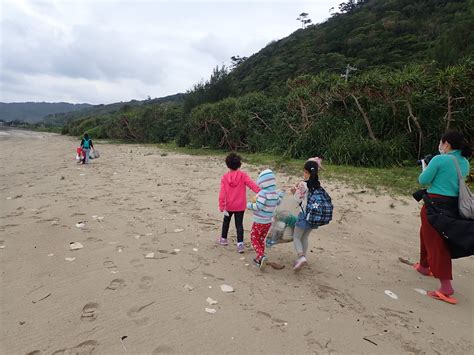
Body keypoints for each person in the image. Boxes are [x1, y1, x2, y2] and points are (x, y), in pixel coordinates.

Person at [417, 130, 471, 304]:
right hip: (453, 206)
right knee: (426, 234)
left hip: (434, 205)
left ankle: (445, 286)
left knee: (435, 242)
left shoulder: (440, 159)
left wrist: (425, 165)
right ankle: (424, 266)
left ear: (446, 143)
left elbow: (423, 180)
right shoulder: (464, 162)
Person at [218, 153, 260, 253]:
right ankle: (240, 244)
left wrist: (221, 205)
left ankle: (223, 239)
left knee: (226, 222)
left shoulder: (225, 177)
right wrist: (260, 191)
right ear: (239, 164)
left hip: (229, 205)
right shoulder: (243, 175)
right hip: (240, 206)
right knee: (239, 224)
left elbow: (222, 193)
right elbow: (251, 184)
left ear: (227, 165)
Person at [289, 159, 322, 271]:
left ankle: (301, 257)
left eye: (304, 172)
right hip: (314, 216)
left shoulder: (303, 184)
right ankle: (303, 258)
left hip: (304, 215)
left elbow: (297, 200)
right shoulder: (317, 184)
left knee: (296, 236)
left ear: (307, 172)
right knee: (305, 237)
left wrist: (294, 191)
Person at [246, 169, 282, 270]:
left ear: (263, 182)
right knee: (261, 239)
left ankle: (261, 255)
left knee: (254, 237)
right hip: (268, 222)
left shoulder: (263, 193)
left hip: (259, 220)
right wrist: (281, 195)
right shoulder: (274, 193)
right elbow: (278, 202)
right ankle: (259, 258)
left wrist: (250, 205)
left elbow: (259, 206)